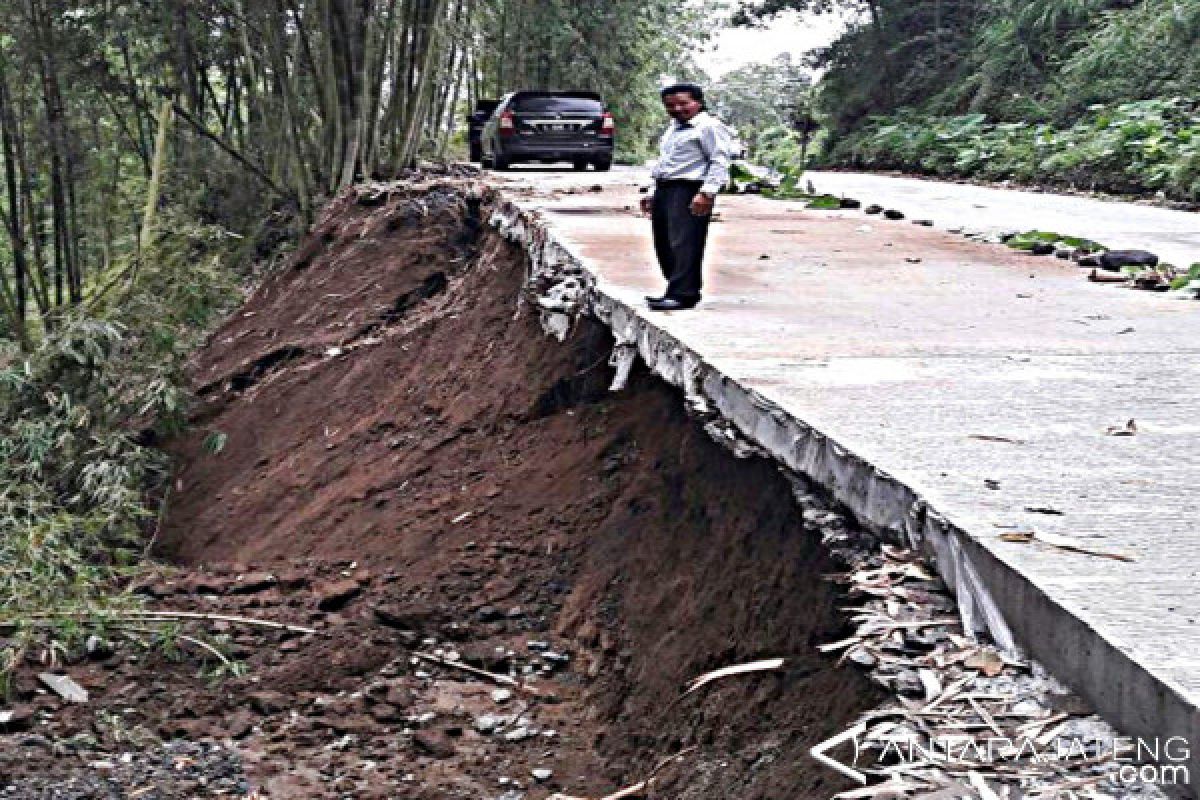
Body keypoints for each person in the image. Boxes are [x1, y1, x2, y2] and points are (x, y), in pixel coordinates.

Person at [639, 83, 734, 311]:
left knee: (685, 243)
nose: (677, 109)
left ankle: (684, 294)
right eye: (670, 105)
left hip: (689, 189)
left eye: (683, 103)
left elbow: (720, 161)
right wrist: (652, 192)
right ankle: (674, 287)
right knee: (664, 242)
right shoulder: (673, 129)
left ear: (698, 103)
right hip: (666, 189)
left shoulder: (709, 127)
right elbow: (666, 162)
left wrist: (707, 193)